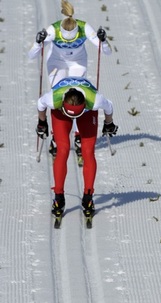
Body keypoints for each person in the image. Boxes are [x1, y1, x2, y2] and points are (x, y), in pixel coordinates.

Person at [28, 0, 112, 164]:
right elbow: (32, 55)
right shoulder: (52, 29)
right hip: (56, 63)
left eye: (71, 41)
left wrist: (104, 40)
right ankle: (56, 138)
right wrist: (39, 42)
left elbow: (106, 52)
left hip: (77, 63)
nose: (67, 44)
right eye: (64, 41)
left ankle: (79, 136)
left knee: (78, 96)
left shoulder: (84, 27)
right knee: (59, 99)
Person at [35, 77, 118, 218]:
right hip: (60, 111)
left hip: (87, 113)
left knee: (88, 151)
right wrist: (42, 122)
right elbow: (40, 104)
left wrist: (109, 123)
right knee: (63, 149)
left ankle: (88, 197)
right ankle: (59, 197)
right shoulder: (53, 98)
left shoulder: (95, 100)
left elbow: (109, 106)